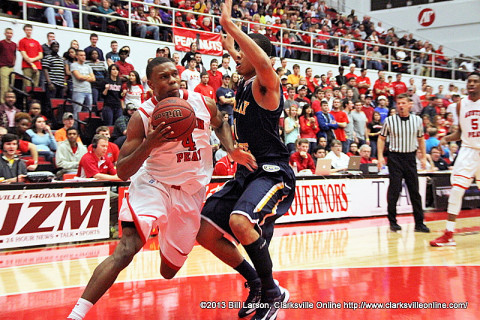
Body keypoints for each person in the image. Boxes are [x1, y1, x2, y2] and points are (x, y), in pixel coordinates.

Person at [67, 56, 254, 320]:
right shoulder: (142, 116)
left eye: (174, 75)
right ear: (150, 84)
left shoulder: (202, 102)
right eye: (164, 78)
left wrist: (231, 149)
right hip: (154, 184)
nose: (172, 81)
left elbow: (221, 123)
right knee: (127, 248)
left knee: (168, 271)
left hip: (189, 193)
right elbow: (122, 171)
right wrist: (149, 145)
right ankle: (76, 314)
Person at [196, 1, 295, 318]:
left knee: (240, 221)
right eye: (234, 52)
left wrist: (230, 25)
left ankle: (272, 293)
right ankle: (255, 282)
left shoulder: (268, 85)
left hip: (272, 173)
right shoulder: (242, 84)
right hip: (246, 172)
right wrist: (230, 149)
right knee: (205, 231)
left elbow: (262, 60)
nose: (236, 56)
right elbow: (225, 125)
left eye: (242, 52)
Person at [430, 73, 480, 247]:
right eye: (469, 81)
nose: (471, 84)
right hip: (467, 151)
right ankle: (449, 233)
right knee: (456, 191)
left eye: (475, 81)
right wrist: (446, 139)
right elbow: (460, 132)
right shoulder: (460, 105)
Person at [377, 93, 430, 233]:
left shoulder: (417, 120)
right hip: (395, 158)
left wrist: (423, 157)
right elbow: (381, 138)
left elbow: (420, 140)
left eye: (403, 103)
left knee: (415, 192)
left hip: (410, 158)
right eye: (398, 103)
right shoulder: (389, 120)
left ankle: (419, 223)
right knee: (394, 191)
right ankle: (393, 222)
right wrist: (380, 156)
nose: (400, 106)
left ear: (409, 104)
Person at [71, 49, 95, 118]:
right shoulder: (74, 65)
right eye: (81, 55)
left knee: (88, 112)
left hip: (88, 91)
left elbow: (93, 79)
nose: (83, 57)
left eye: (84, 55)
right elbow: (79, 77)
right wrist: (88, 76)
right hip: (78, 91)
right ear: (77, 56)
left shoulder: (88, 66)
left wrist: (84, 77)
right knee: (77, 111)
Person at [19, 24, 43, 88]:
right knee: (27, 86)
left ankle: (34, 98)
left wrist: (33, 60)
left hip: (37, 67)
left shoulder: (36, 42)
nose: (29, 31)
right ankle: (26, 98)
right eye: (27, 30)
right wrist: (32, 64)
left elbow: (40, 55)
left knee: (36, 86)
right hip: (27, 66)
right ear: (24, 31)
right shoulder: (22, 41)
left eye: (30, 30)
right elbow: (24, 55)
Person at [0, 28, 16, 104]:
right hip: (3, 67)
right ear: (5, 34)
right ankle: (2, 103)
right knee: (4, 86)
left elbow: (14, 55)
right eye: (8, 33)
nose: (9, 34)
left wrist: (13, 63)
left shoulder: (14, 44)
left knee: (11, 87)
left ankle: (9, 103)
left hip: (11, 68)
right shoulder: (2, 43)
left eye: (11, 33)